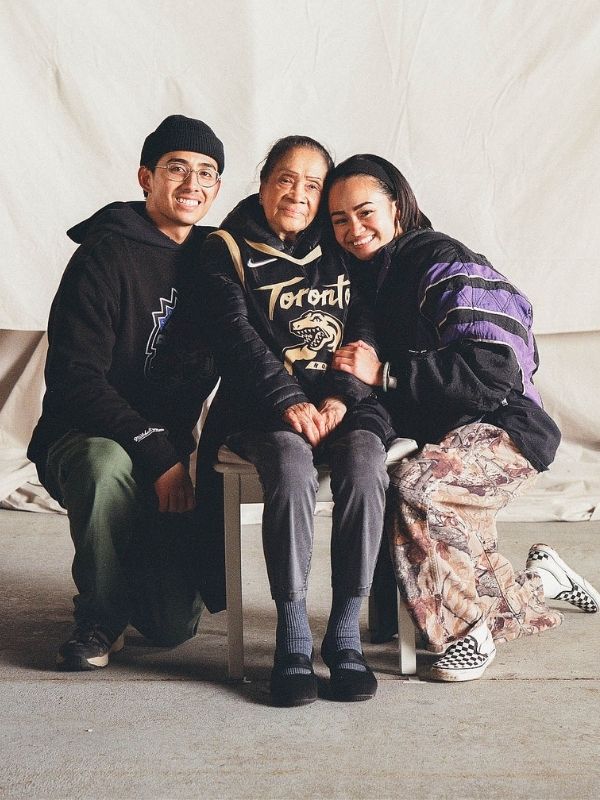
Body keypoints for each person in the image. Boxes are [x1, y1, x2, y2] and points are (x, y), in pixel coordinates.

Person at [327, 154, 600, 682]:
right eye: (339, 219)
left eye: (364, 212)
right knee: (477, 581)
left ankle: (464, 635)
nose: (353, 229)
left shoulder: (440, 262)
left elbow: (496, 368)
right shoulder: (374, 278)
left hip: (506, 428)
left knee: (419, 485)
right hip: (450, 434)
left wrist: (383, 372)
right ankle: (541, 581)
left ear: (398, 209)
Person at [194, 136, 396, 706]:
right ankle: (292, 632)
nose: (299, 194)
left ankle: (343, 633)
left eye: (313, 184)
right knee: (289, 461)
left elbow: (366, 326)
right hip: (261, 406)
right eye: (287, 178)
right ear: (262, 183)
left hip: (342, 402)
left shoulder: (340, 243)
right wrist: (288, 400)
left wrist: (340, 396)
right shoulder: (224, 248)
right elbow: (236, 338)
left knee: (363, 461)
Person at [28, 115, 225, 670]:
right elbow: (75, 376)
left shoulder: (216, 261)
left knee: (168, 628)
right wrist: (160, 453)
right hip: (88, 436)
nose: (192, 184)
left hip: (166, 452)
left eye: (207, 174)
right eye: (176, 169)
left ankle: (130, 573)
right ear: (146, 177)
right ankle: (98, 615)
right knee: (104, 462)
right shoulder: (104, 254)